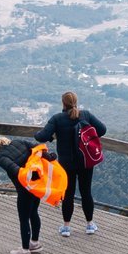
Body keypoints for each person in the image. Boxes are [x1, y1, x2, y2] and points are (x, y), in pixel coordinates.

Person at [37, 91, 107, 235]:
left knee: (68, 194)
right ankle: (89, 225)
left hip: (66, 163)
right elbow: (102, 130)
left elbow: (41, 136)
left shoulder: (57, 119)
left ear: (63, 103)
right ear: (76, 101)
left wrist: (52, 136)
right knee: (86, 192)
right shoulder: (85, 115)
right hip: (86, 161)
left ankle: (66, 227)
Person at [0, 132, 63, 254]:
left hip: (25, 188)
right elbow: (37, 148)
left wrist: (28, 176)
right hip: (37, 185)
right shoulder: (17, 141)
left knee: (24, 218)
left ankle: (25, 251)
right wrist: (49, 156)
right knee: (34, 213)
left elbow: (14, 169)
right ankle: (35, 243)